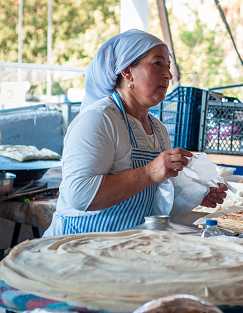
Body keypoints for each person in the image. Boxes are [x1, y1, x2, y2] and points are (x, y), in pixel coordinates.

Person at [44, 29, 227, 236]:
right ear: (127, 72)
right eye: (157, 63)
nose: (168, 74)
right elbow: (79, 195)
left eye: (168, 65)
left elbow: (154, 199)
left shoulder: (157, 129)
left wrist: (197, 196)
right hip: (78, 246)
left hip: (124, 246)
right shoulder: (98, 119)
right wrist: (149, 172)